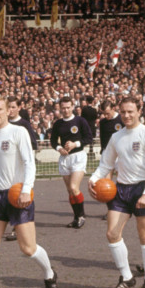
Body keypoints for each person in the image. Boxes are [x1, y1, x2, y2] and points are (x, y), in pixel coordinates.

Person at [0, 96, 58, 288]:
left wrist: (26, 189)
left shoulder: (19, 132)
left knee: (28, 248)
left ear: (7, 110)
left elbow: (29, 162)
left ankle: (49, 274)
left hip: (19, 194)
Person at [88, 96, 145, 288]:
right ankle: (127, 277)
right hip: (120, 190)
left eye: (131, 111)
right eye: (124, 112)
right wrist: (93, 179)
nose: (127, 115)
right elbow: (106, 164)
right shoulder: (116, 137)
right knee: (112, 234)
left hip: (142, 189)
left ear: (139, 111)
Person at [50, 96, 93, 228]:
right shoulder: (58, 124)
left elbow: (89, 138)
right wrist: (59, 148)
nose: (66, 110)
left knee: (74, 188)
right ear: (59, 108)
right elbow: (53, 141)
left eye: (68, 107)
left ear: (73, 107)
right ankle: (76, 217)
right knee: (70, 191)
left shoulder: (80, 121)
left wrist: (75, 144)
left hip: (78, 156)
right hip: (65, 159)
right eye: (63, 108)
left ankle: (81, 215)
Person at [4, 95, 38, 241]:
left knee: (19, 193)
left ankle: (17, 227)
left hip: (21, 164)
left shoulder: (24, 124)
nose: (10, 110)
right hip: (8, 166)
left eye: (13, 107)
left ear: (19, 108)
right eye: (8, 107)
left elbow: (33, 144)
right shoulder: (3, 124)